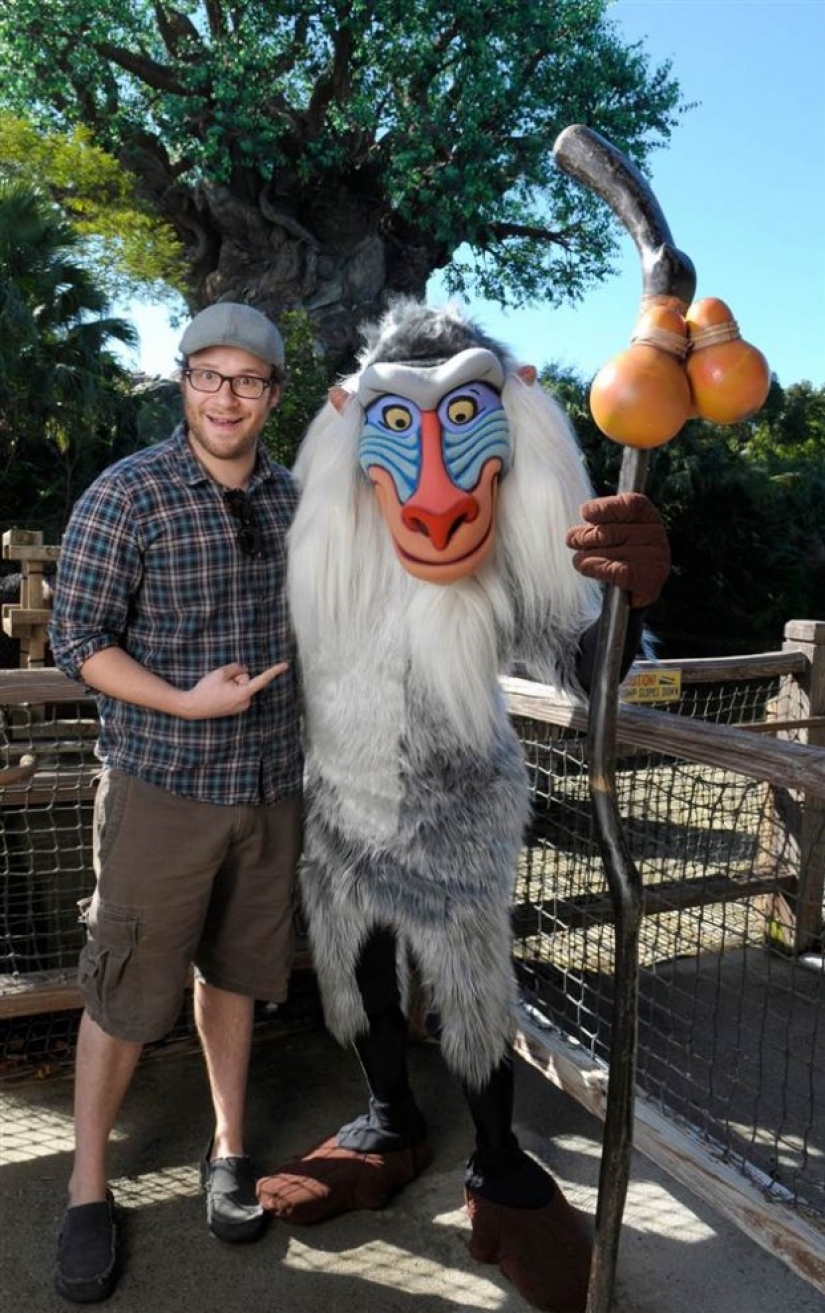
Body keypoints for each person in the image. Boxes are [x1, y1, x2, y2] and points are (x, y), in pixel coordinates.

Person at [255, 299, 671, 1313]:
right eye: (400, 421)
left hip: (457, 804)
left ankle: (499, 1159)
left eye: (461, 417)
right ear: (355, 423)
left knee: (473, 988)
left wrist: (625, 599)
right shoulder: (322, 542)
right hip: (338, 797)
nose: (435, 489)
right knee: (357, 973)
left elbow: (584, 663)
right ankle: (387, 1117)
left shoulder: (499, 552)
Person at [48, 302, 303, 1304]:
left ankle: (229, 1148)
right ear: (182, 381)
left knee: (235, 973)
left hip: (271, 785)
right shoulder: (128, 493)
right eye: (209, 376)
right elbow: (79, 639)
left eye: (247, 380)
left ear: (273, 393)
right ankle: (86, 1187)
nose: (226, 397)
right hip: (162, 785)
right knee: (123, 988)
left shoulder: (299, 500)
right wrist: (184, 700)